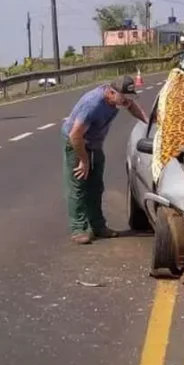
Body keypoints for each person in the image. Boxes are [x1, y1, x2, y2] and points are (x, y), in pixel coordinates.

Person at [61, 75, 148, 244]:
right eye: (124, 98)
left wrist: (149, 121)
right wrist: (84, 160)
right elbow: (75, 135)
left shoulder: (118, 99)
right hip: (76, 143)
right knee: (78, 185)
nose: (126, 102)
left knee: (96, 185)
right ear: (111, 92)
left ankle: (98, 226)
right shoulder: (92, 105)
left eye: (128, 98)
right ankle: (78, 228)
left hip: (94, 142)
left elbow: (132, 107)